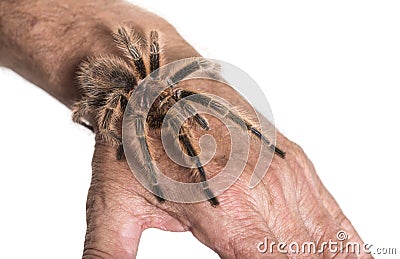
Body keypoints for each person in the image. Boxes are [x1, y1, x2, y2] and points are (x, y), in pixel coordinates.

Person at [0, 1, 371, 258]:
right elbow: (106, 106)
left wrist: (205, 80)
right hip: (117, 88)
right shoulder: (132, 108)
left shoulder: (166, 83)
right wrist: (207, 189)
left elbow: (148, 49)